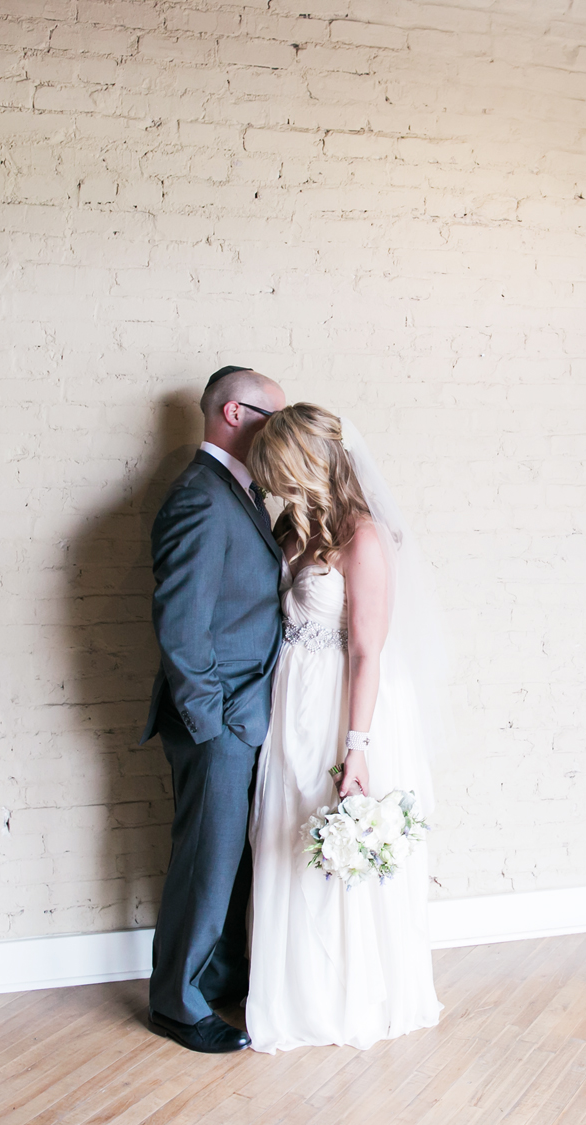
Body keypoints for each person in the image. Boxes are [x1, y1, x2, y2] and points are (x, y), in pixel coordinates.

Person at [242, 403, 444, 1053]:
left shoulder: (362, 537)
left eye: (278, 472)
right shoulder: (289, 529)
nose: (272, 486)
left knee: (330, 839)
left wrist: (355, 749)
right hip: (292, 704)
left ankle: (345, 993)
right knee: (283, 833)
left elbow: (366, 650)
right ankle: (292, 989)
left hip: (343, 707)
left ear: (307, 463)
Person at [141, 365, 285, 1053]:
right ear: (234, 411)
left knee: (229, 860)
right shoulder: (200, 496)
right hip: (217, 722)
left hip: (243, 719)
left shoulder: (241, 494)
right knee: (205, 859)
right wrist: (211, 724)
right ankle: (176, 1003)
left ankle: (218, 976)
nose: (279, 431)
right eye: (271, 416)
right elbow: (180, 625)